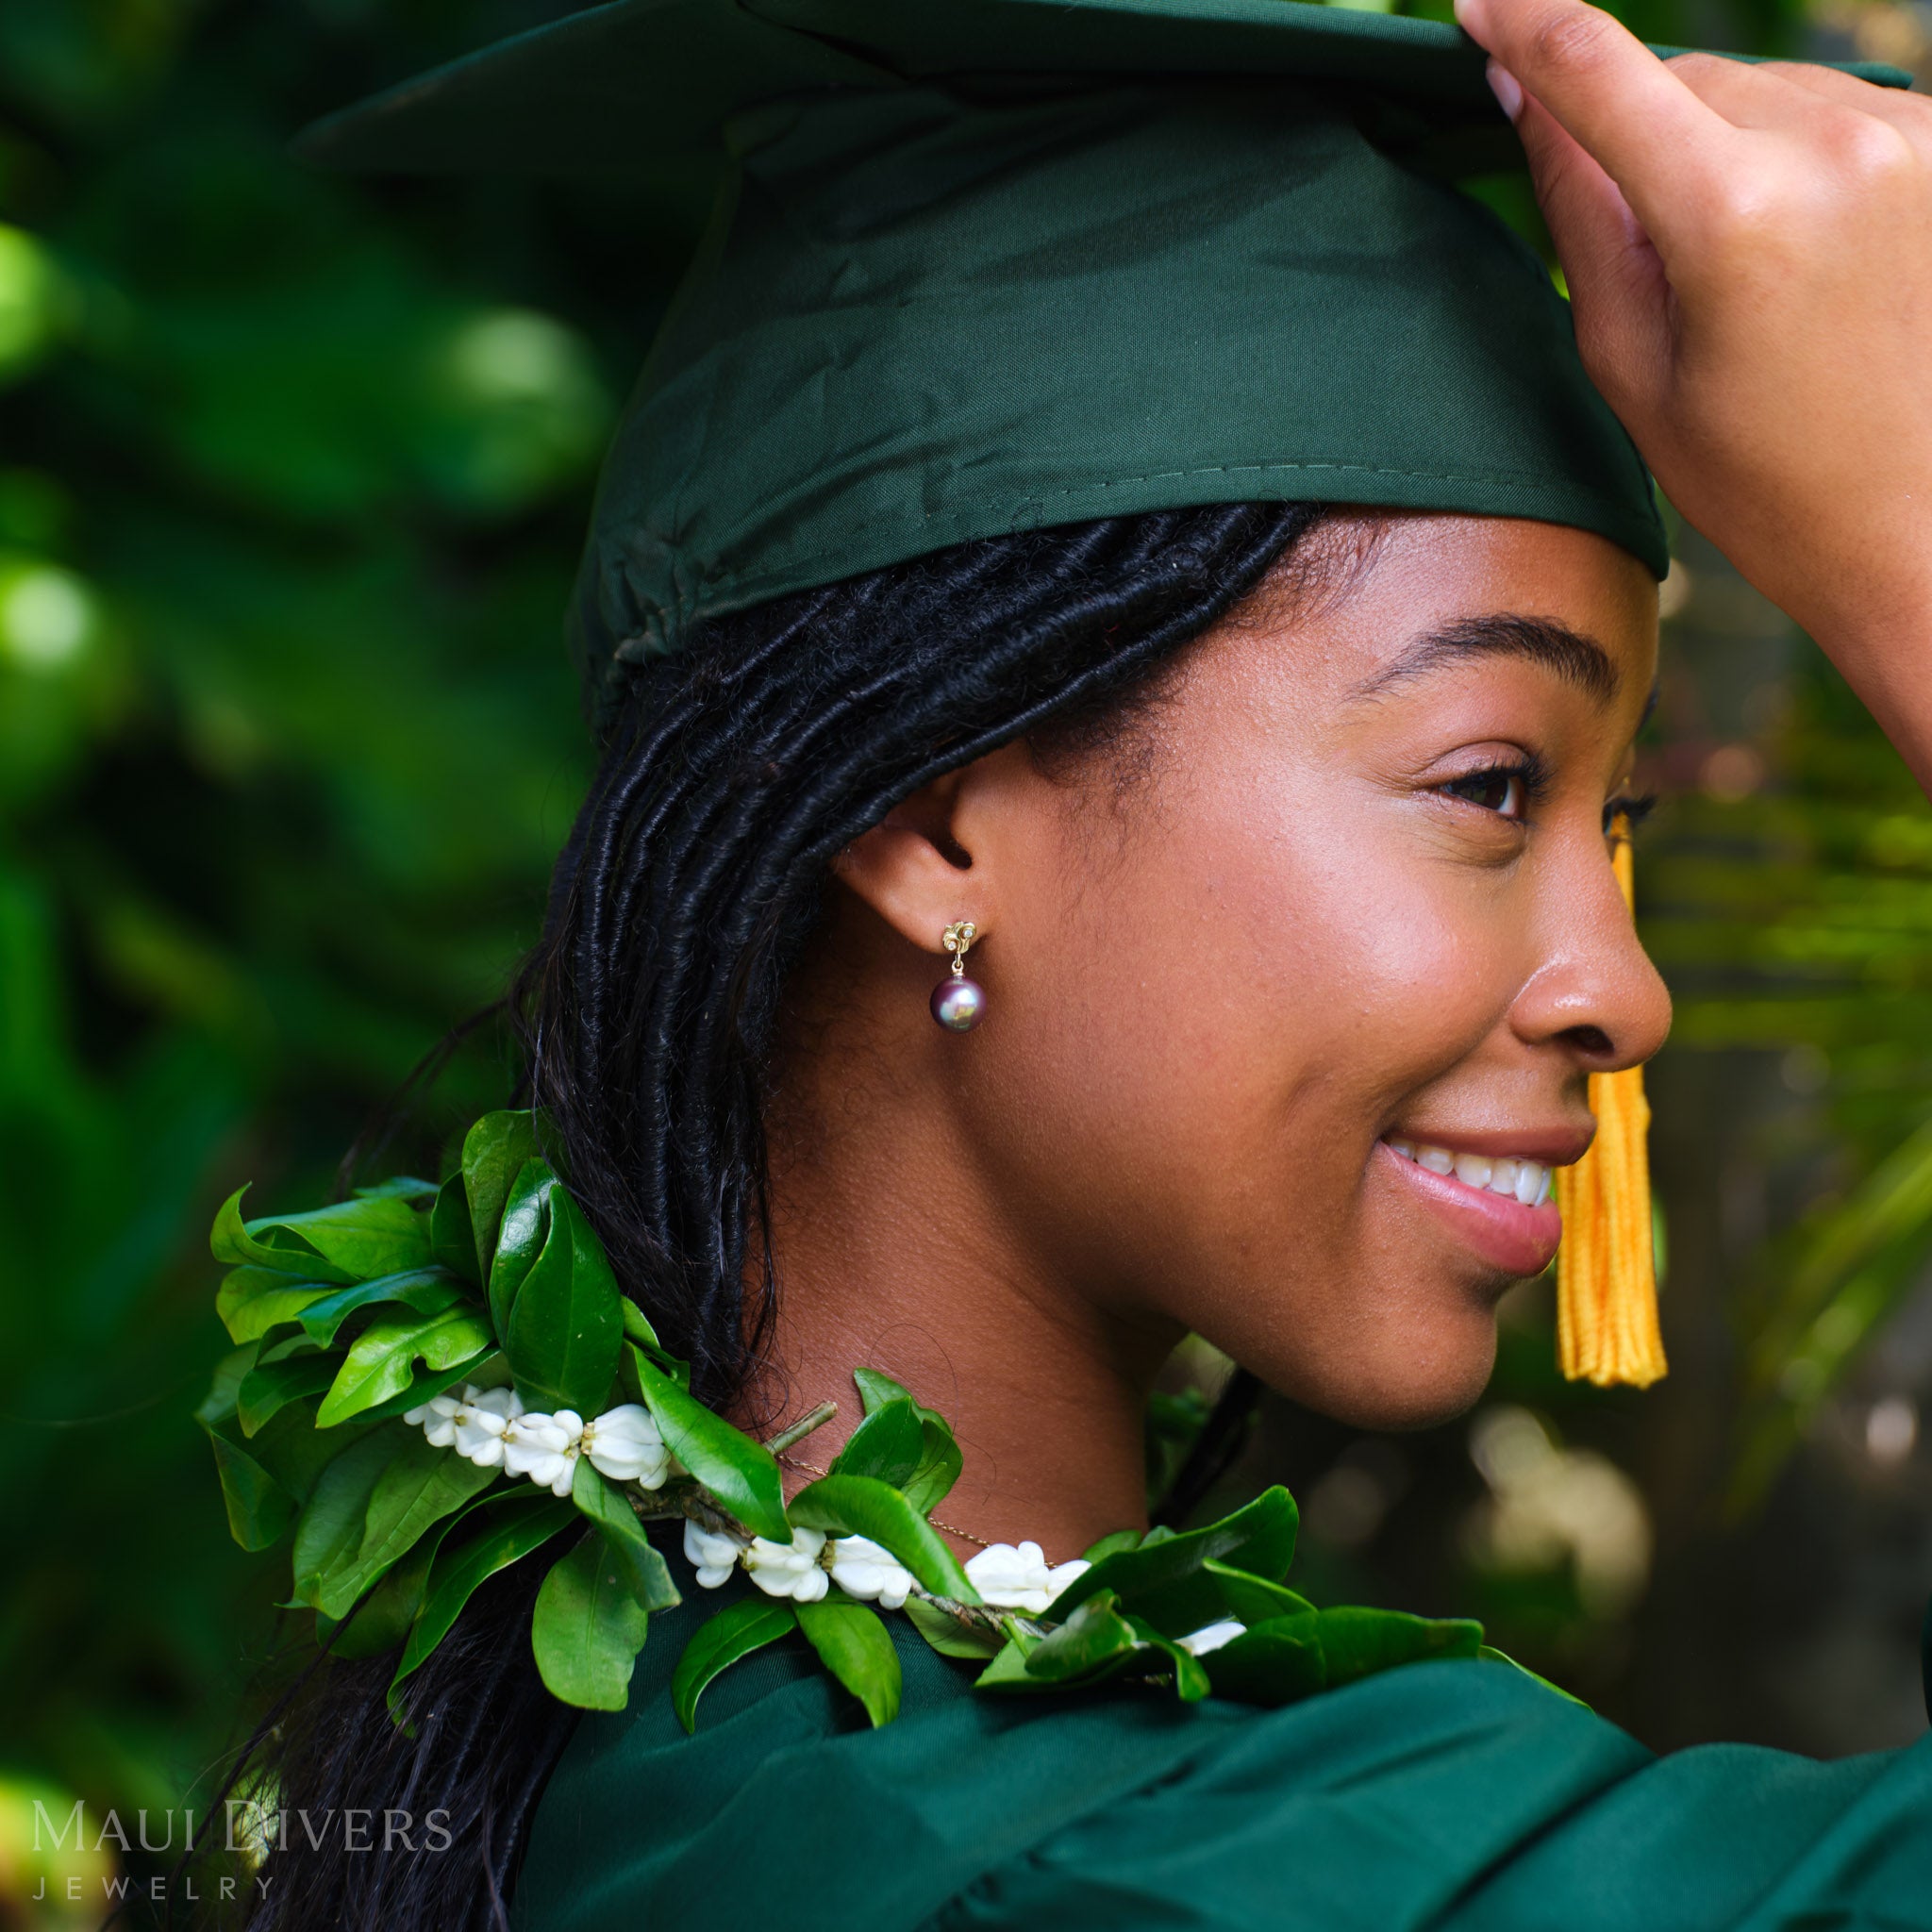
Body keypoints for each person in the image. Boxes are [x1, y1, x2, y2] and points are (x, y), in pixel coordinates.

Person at [211, 0, 1932, 1925]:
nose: (1626, 989)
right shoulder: (1123, 1875)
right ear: (938, 815)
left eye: (1613, 830)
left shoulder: (673, 1754)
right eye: (1488, 783)